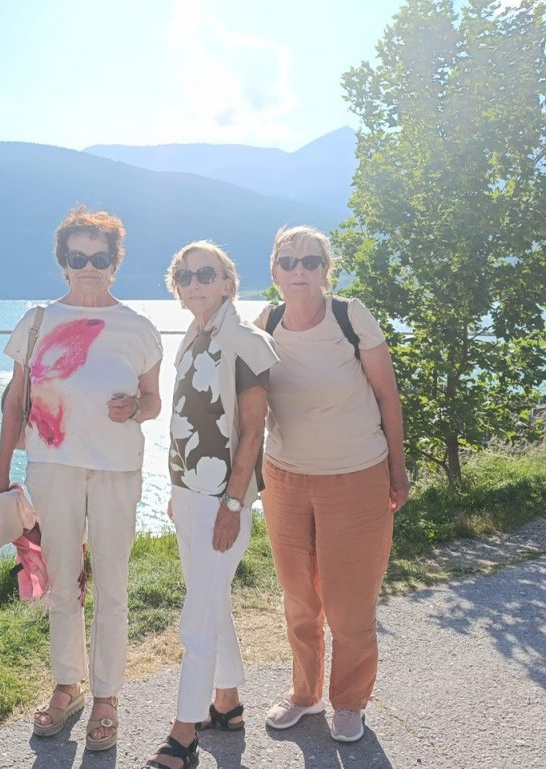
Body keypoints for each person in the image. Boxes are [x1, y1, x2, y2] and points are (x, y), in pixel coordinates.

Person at [0, 206, 163, 752]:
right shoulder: (37, 322)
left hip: (117, 470)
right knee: (63, 583)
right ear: (63, 263)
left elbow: (155, 402)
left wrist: (135, 406)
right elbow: (15, 402)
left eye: (100, 256)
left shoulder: (138, 327)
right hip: (52, 467)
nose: (89, 266)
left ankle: (107, 697)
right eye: (78, 256)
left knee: (112, 585)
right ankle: (68, 686)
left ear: (116, 262)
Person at [256, 225, 409, 744]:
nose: (299, 270)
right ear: (274, 271)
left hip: (357, 477)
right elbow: (246, 404)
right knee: (298, 596)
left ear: (326, 269)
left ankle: (349, 701)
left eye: (310, 261)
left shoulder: (350, 315)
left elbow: (387, 396)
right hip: (285, 479)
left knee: (350, 602)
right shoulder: (266, 322)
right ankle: (304, 694)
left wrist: (397, 468)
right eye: (288, 261)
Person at [144, 242, 277, 769]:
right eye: (185, 274)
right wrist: (178, 492)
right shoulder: (194, 339)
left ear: (228, 283)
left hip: (225, 499)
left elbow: (252, 432)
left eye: (207, 273)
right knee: (212, 600)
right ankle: (227, 704)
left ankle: (183, 734)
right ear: (176, 288)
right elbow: (184, 424)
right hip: (190, 494)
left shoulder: (246, 341)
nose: (194, 282)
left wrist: (233, 503)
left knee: (197, 615)